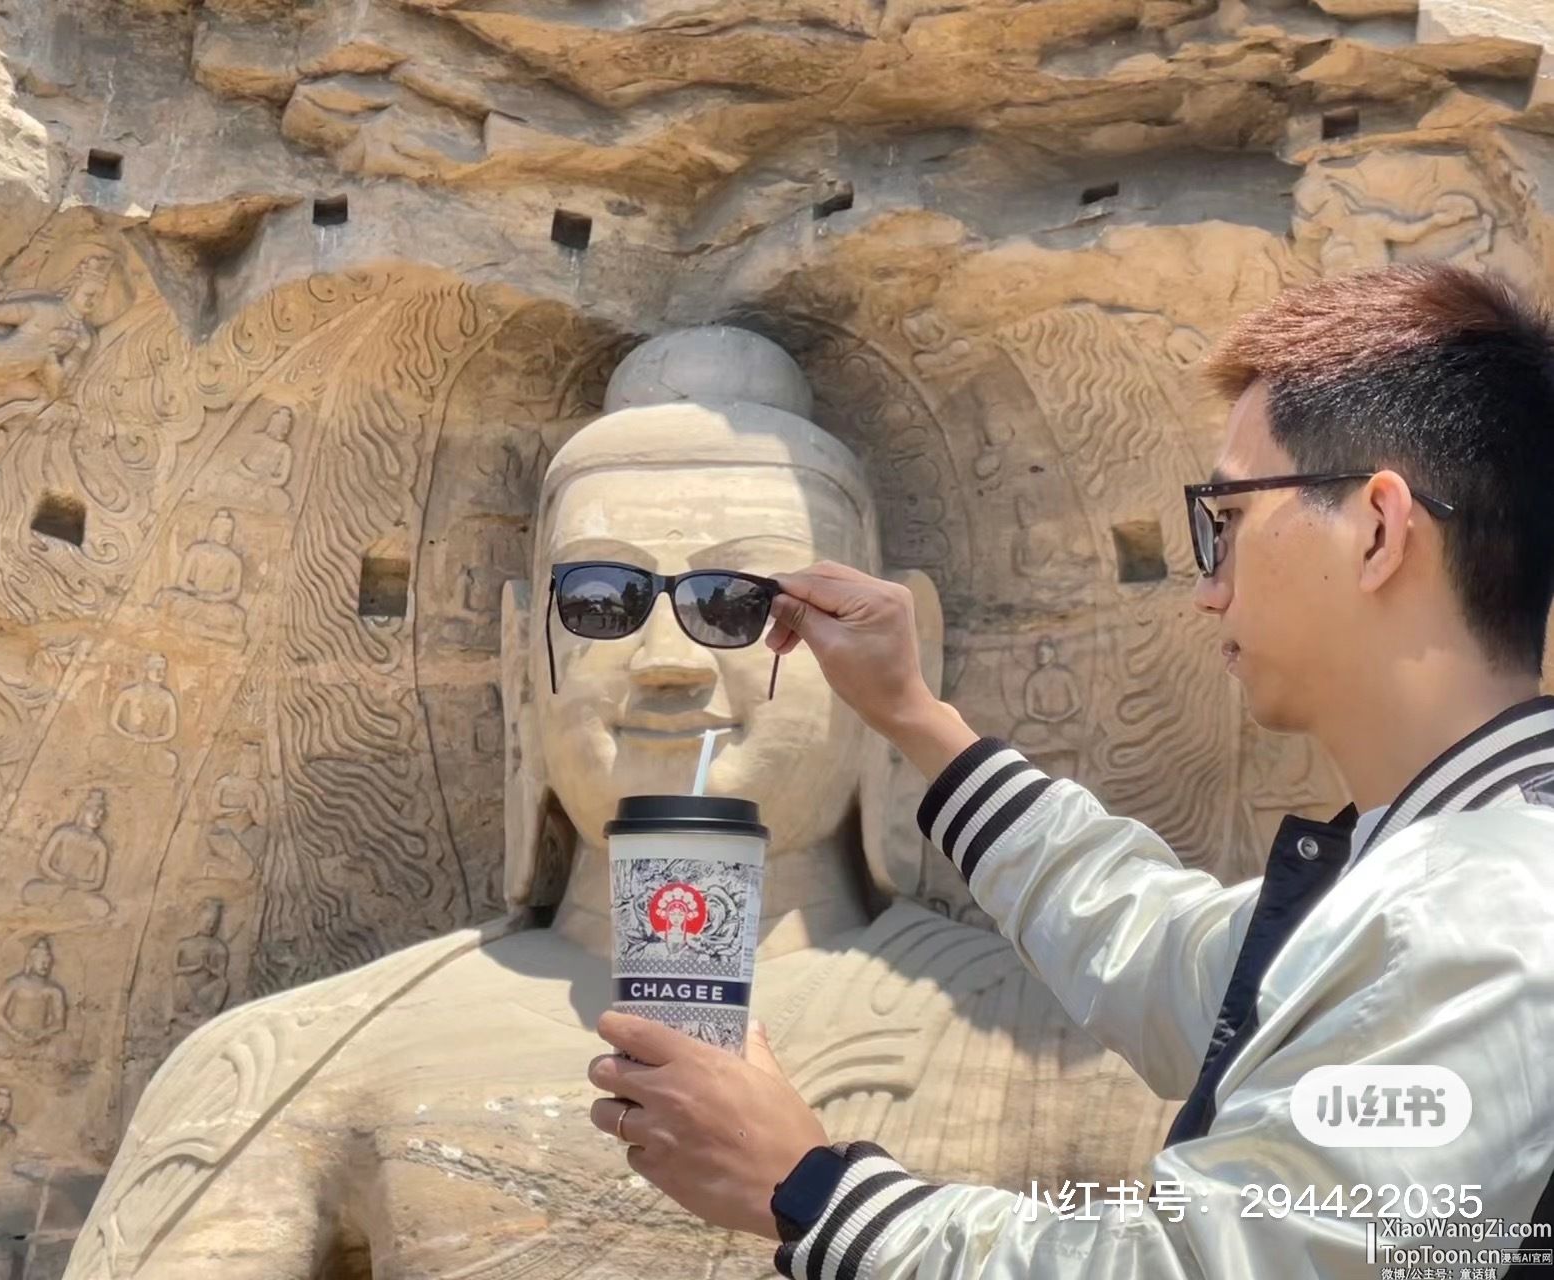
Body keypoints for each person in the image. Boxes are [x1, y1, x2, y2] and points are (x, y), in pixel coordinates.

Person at [585, 263, 1554, 1278]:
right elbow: (1164, 953)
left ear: (1378, 530)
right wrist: (915, 717)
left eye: (1224, 521)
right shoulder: (1430, 876)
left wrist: (811, 1192)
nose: (1208, 589)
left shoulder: (1475, 914)